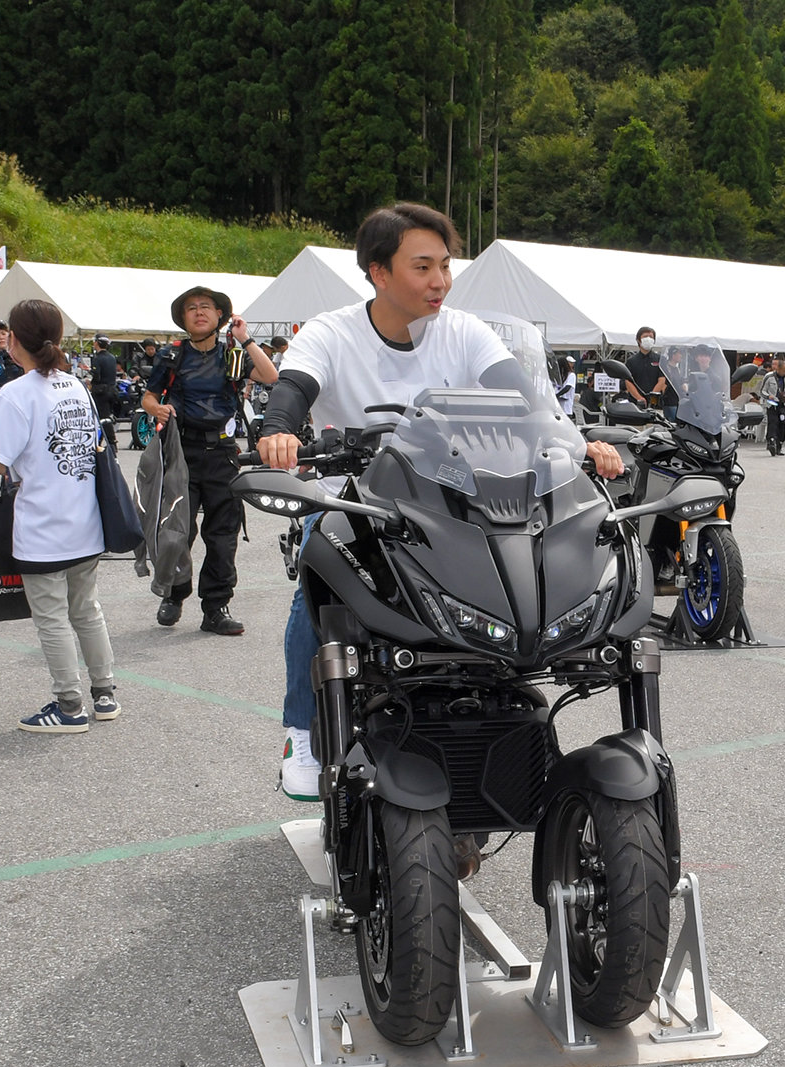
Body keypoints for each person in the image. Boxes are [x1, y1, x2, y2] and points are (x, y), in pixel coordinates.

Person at [256, 201, 626, 799]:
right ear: (378, 272)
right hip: (357, 503)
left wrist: (579, 443)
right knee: (316, 588)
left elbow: (527, 399)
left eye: (445, 266)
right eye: (422, 267)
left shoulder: (463, 331)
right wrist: (279, 430)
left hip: (448, 500)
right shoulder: (331, 331)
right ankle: (302, 729)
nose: (439, 282)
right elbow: (295, 388)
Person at [0, 299, 119, 733]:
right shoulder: (74, 385)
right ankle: (105, 694)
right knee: (86, 610)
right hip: (86, 523)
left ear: (14, 341)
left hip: (43, 528)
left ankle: (69, 706)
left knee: (53, 619)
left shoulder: (15, 395)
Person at [141, 286, 279, 636]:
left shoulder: (233, 354)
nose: (199, 312)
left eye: (207, 307)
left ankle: (216, 608)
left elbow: (270, 376)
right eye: (191, 308)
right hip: (181, 454)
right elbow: (148, 397)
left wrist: (245, 339)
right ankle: (174, 595)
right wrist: (156, 407)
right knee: (176, 531)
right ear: (183, 318)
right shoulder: (171, 357)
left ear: (220, 316)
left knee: (223, 535)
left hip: (222, 454)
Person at [623, 326, 675, 416]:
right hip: (635, 405)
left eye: (651, 337)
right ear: (639, 340)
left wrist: (652, 396)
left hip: (656, 405)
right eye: (645, 336)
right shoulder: (631, 361)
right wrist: (639, 398)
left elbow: (662, 380)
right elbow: (628, 382)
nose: (649, 339)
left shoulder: (660, 359)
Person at [759, 357, 785, 455]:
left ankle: (779, 444)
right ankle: (771, 442)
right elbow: (762, 391)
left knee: (782, 423)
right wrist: (768, 396)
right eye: (784, 370)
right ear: (778, 369)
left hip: (784, 404)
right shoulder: (769, 377)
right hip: (772, 404)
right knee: (773, 423)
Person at [89, 335, 122, 446]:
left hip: (100, 391)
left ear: (97, 343)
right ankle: (100, 441)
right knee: (106, 416)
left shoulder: (97, 358)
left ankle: (111, 441)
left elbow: (97, 376)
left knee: (103, 417)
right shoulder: (112, 357)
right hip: (112, 390)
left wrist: (90, 380)